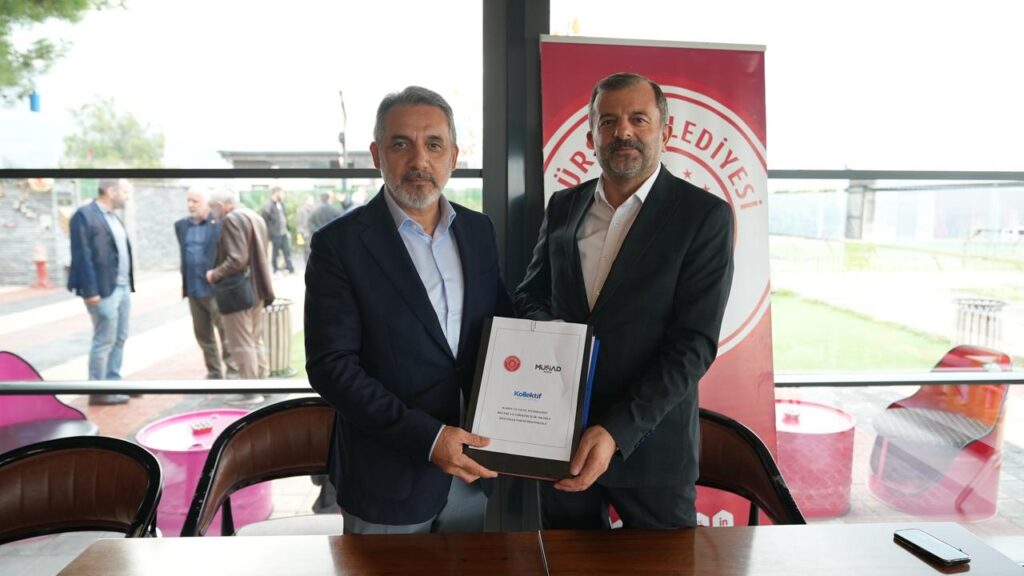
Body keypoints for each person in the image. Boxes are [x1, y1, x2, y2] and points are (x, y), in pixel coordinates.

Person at [515, 72, 735, 530]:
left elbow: (693, 345)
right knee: (566, 562)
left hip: (652, 449)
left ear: (665, 133)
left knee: (664, 565)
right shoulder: (563, 206)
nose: (623, 132)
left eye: (639, 119)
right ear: (591, 136)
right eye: (608, 121)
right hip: (560, 438)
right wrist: (553, 335)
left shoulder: (703, 216)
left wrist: (617, 430)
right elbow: (530, 295)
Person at [305, 86, 513, 534]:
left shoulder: (478, 231)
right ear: (377, 154)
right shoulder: (339, 245)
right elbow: (331, 367)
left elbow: (500, 330)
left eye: (434, 144)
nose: (420, 160)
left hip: (472, 469)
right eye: (401, 144)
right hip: (385, 480)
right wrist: (430, 439)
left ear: (453, 156)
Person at [67, 178, 136, 405]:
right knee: (104, 340)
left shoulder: (113, 217)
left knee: (120, 337)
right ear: (111, 191)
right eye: (125, 192)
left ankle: (113, 384)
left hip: (122, 287)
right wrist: (90, 290)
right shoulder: (84, 215)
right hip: (103, 290)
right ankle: (98, 391)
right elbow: (81, 255)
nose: (127, 197)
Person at [207, 188, 275, 403]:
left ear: (221, 205)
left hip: (239, 292)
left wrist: (214, 274)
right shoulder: (254, 216)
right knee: (255, 340)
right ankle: (262, 384)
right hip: (257, 289)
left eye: (212, 208)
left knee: (242, 343)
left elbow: (237, 259)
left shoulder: (232, 219)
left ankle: (250, 392)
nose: (212, 214)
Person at [174, 186, 237, 380]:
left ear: (208, 204)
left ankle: (233, 375)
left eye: (195, 201)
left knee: (226, 335)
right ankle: (214, 373)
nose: (191, 205)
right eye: (188, 200)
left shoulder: (220, 224)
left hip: (215, 290)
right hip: (193, 290)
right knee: (203, 335)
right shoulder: (182, 226)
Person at [261, 186, 295, 274]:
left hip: (283, 232)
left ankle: (290, 268)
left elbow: (284, 217)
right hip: (275, 233)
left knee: (287, 251)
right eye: (282, 193)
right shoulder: (268, 205)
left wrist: (287, 228)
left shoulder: (281, 204)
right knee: (275, 252)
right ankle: (275, 269)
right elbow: (264, 219)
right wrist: (269, 232)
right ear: (276, 193)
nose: (283, 195)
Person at [296, 195, 315, 260]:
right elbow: (299, 224)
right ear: (306, 201)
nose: (312, 202)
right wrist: (303, 233)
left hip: (313, 232)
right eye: (310, 200)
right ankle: (307, 263)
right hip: (306, 234)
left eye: (312, 200)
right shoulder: (301, 210)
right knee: (307, 251)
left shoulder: (314, 210)